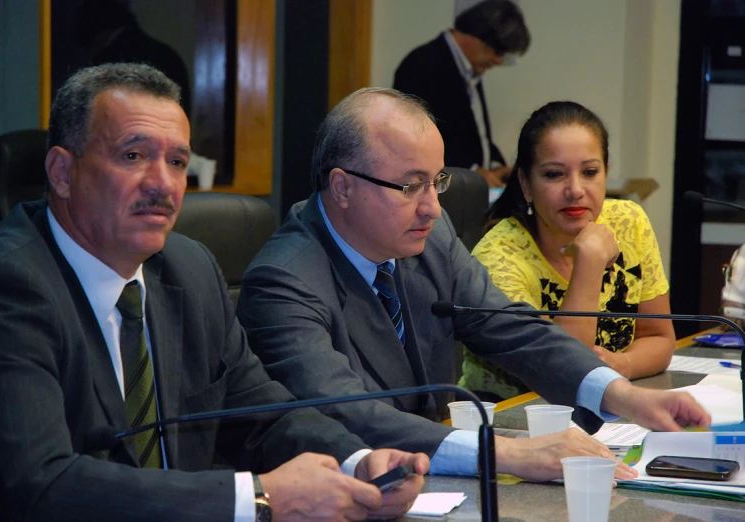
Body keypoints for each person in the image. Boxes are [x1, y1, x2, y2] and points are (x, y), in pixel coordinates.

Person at [0, 64, 429, 522]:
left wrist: (358, 462)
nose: (162, 183)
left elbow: (261, 414)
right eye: (133, 156)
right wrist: (259, 497)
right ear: (62, 172)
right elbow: (42, 486)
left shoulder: (190, 269)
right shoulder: (8, 286)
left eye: (178, 162)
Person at [237, 87, 709, 483]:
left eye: (436, 182)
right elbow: (349, 415)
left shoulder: (427, 238)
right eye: (410, 186)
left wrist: (626, 397)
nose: (432, 208)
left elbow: (514, 329)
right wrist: (512, 454)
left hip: (433, 479)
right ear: (341, 187)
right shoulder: (283, 284)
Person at [461, 101, 675, 400]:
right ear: (525, 183)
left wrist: (621, 365)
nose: (575, 190)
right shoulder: (499, 259)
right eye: (553, 175)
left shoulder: (629, 222)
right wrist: (589, 262)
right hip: (510, 420)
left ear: (606, 172)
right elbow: (565, 375)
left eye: (589, 172)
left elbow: (659, 338)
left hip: (607, 413)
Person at [393, 0, 529, 189]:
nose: (498, 61)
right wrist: (473, 170)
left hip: (468, 186)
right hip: (439, 189)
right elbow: (417, 140)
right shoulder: (421, 65)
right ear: (474, 36)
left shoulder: (470, 68)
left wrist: (494, 165)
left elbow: (477, 133)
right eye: (497, 51)